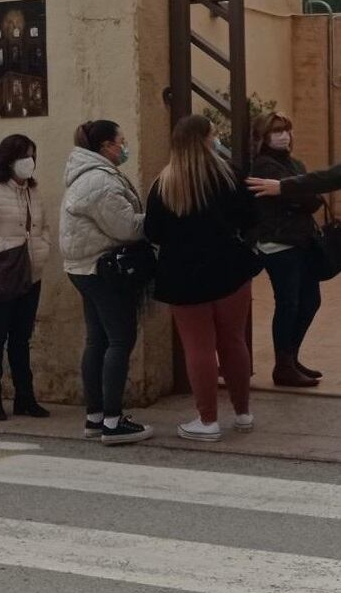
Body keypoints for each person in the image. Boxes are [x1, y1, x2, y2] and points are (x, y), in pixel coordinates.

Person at [147, 114, 261, 441]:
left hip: (183, 276)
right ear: (205, 139)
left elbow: (153, 231)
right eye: (213, 134)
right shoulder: (229, 176)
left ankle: (207, 420)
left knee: (198, 347)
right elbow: (251, 217)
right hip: (230, 270)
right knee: (234, 341)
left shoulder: (165, 184)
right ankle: (243, 413)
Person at [63, 119, 154, 445]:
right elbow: (127, 228)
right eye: (121, 141)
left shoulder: (86, 175)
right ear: (105, 147)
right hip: (103, 270)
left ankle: (95, 417)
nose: (124, 146)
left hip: (84, 267)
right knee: (119, 340)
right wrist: (158, 217)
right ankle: (113, 422)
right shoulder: (100, 182)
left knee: (98, 341)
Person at [0, 134, 54, 421]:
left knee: (21, 337)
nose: (29, 162)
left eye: (32, 155)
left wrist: (40, 250)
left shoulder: (33, 191)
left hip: (31, 275)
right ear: (8, 159)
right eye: (23, 156)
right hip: (3, 274)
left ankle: (25, 397)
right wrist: (12, 253)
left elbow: (43, 226)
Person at [245, 111, 326, 386]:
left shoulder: (294, 163)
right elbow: (306, 198)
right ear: (264, 136)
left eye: (287, 130)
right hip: (278, 244)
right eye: (277, 131)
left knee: (310, 300)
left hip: (301, 241)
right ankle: (283, 365)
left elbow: (309, 197)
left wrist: (296, 194)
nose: (284, 135)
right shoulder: (265, 166)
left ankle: (290, 357)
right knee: (289, 303)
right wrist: (300, 195)